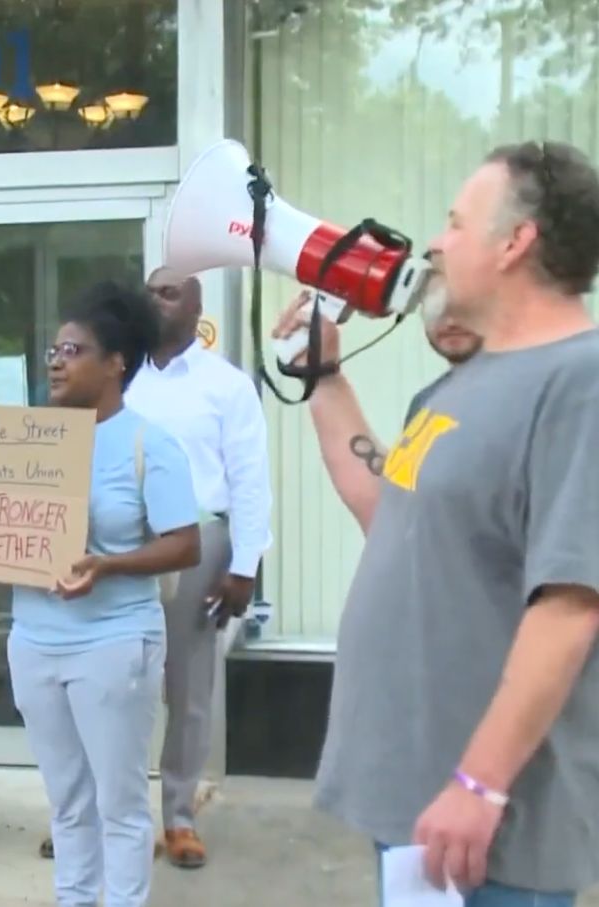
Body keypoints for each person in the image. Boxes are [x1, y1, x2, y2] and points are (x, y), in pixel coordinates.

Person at [311, 140, 599, 904]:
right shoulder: (458, 386)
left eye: (456, 222)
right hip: (419, 802)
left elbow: (571, 606)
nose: (436, 243)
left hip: (489, 830)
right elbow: (392, 516)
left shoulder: (582, 381)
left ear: (516, 242)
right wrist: (320, 376)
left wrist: (481, 781)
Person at [0, 279, 198, 907]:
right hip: (35, 642)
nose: (56, 360)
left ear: (116, 364)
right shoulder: (24, 442)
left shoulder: (149, 444)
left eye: (74, 350)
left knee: (119, 803)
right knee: (67, 802)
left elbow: (185, 545)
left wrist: (107, 566)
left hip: (114, 645)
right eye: (55, 349)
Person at [121, 267, 272, 869]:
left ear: (197, 306)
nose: (156, 300)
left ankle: (179, 816)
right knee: (120, 685)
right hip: (124, 541)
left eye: (170, 292)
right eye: (151, 291)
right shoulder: (118, 375)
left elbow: (250, 477)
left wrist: (244, 565)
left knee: (188, 689)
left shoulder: (226, 385)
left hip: (200, 539)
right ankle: (117, 818)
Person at [271, 285, 481, 532]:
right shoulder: (432, 402)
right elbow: (393, 517)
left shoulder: (528, 400)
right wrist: (321, 375)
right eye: (435, 279)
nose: (445, 308)